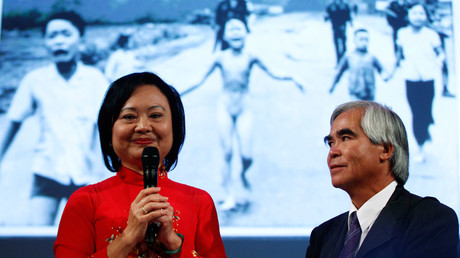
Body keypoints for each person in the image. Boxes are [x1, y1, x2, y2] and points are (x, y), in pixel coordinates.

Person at [54, 72, 227, 257]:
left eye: (155, 115)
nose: (143, 126)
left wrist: (173, 243)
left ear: (174, 128)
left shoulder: (199, 202)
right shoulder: (85, 202)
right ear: (109, 131)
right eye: (129, 117)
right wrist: (128, 237)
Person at [305, 100, 459, 258]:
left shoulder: (429, 219)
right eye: (330, 143)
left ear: (385, 150)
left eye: (345, 138)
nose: (333, 152)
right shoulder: (323, 236)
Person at [182, 17, 304, 212]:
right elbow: (198, 79)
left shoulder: (251, 56)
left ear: (246, 33)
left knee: (247, 155)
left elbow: (273, 71)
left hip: (245, 107)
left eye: (239, 28)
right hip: (224, 107)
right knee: (228, 152)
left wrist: (292, 77)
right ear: (224, 35)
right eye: (231, 29)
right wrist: (173, 92)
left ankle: (243, 174)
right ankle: (229, 195)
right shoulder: (220, 57)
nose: (235, 32)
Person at [0, 11, 109, 226]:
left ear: (81, 39)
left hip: (85, 176)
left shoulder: (95, 80)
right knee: (35, 240)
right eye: (52, 36)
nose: (59, 41)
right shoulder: (35, 80)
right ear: (46, 43)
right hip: (46, 172)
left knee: (84, 242)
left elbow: (111, 127)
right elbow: (14, 121)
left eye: (66, 34)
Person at [390, 3, 445, 162]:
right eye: (415, 13)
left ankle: (427, 126)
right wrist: (392, 72)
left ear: (426, 17)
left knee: (426, 110)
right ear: (409, 16)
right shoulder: (402, 33)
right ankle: (421, 146)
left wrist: (438, 62)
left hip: (428, 78)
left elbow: (441, 53)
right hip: (411, 77)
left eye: (421, 14)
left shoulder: (431, 34)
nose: (418, 16)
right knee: (416, 112)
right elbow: (399, 55)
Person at [329, 28, 389, 101]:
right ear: (355, 40)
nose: (364, 42)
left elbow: (381, 69)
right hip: (355, 93)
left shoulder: (371, 57)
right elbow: (339, 72)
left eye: (366, 40)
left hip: (369, 94)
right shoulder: (349, 56)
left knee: (369, 111)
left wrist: (384, 75)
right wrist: (333, 85)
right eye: (361, 39)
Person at [325, 0, 353, 65]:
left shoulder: (344, 5)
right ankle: (338, 60)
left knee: (344, 44)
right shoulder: (331, 6)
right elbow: (327, 15)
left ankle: (343, 60)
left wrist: (351, 22)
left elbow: (348, 15)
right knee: (336, 44)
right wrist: (326, 18)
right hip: (335, 27)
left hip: (342, 26)